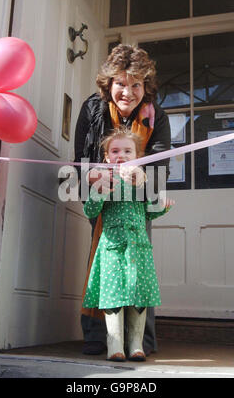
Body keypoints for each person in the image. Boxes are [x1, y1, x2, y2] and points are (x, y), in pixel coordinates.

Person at [74, 44, 171, 356]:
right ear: (108, 84)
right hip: (104, 202)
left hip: (138, 205)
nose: (127, 92)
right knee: (102, 267)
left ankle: (142, 341)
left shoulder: (158, 118)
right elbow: (78, 163)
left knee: (139, 270)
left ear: (146, 87)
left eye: (136, 85)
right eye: (120, 83)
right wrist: (95, 179)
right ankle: (97, 338)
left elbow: (161, 166)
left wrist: (142, 178)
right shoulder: (91, 109)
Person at [82, 128, 174, 362]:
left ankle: (135, 345)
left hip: (138, 248)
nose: (120, 155)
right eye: (114, 151)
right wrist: (99, 192)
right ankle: (115, 345)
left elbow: (149, 214)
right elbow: (90, 211)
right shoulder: (104, 180)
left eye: (127, 151)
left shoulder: (140, 181)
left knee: (138, 296)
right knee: (113, 296)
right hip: (113, 248)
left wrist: (162, 205)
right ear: (106, 157)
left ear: (137, 156)